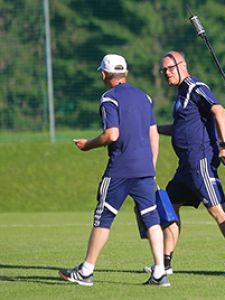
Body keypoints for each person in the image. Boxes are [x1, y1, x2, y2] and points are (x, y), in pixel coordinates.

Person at [58, 54, 170, 287]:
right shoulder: (144, 97)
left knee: (103, 218)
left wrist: (87, 145)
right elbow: (154, 135)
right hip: (144, 170)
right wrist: (151, 166)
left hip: (120, 169)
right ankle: (160, 271)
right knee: (152, 219)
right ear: (125, 73)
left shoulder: (109, 99)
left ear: (103, 74)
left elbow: (112, 135)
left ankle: (86, 271)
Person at [145, 50, 225, 276]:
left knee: (218, 211)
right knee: (170, 206)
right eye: (163, 69)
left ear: (182, 65)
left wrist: (223, 145)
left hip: (200, 162)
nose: (166, 73)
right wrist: (151, 129)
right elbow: (180, 129)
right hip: (185, 168)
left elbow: (220, 111)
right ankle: (165, 264)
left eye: (169, 68)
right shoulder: (180, 95)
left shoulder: (195, 86)